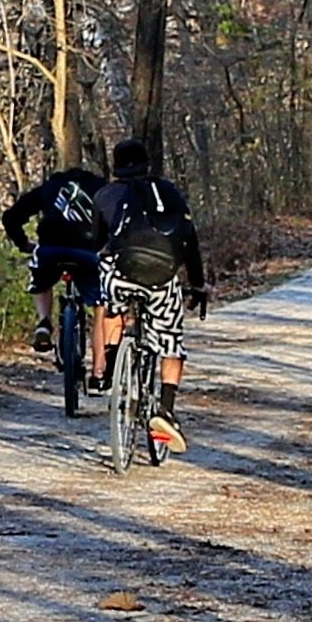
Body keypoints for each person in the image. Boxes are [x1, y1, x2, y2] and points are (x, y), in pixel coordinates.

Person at [95, 137, 207, 457]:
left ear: (115, 166)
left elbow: (96, 242)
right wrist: (198, 285)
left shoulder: (104, 194)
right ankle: (166, 411)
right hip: (161, 274)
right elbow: (190, 241)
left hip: (120, 272)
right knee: (171, 341)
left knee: (112, 306)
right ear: (147, 164)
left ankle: (113, 363)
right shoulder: (169, 192)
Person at [0, 158, 112, 355]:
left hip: (50, 250)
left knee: (41, 281)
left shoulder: (49, 188)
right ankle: (100, 356)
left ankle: (44, 322)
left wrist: (23, 243)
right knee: (99, 301)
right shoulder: (102, 190)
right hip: (87, 252)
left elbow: (11, 216)